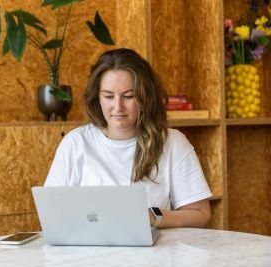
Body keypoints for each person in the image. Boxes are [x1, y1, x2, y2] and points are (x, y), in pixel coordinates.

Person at [44, 48, 212, 228]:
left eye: (129, 96)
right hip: (90, 253)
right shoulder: (76, 143)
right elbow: (51, 212)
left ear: (145, 96)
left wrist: (153, 218)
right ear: (97, 97)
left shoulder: (172, 143)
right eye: (108, 96)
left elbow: (201, 214)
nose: (118, 107)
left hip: (156, 253)